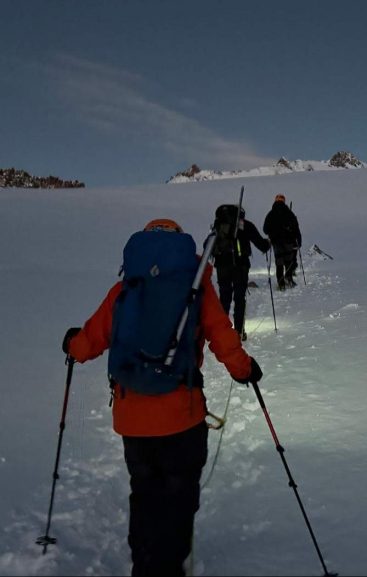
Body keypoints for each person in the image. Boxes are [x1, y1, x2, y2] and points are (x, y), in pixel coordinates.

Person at [61, 218, 264, 577]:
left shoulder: (125, 288)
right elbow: (222, 336)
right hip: (182, 416)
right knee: (179, 496)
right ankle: (171, 564)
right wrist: (244, 370)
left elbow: (88, 342)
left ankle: (145, 563)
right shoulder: (196, 286)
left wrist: (72, 345)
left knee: (144, 493)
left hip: (133, 420)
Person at [212, 206, 270, 341]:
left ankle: (222, 330)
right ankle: (239, 331)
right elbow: (261, 244)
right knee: (239, 298)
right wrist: (268, 243)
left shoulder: (218, 225)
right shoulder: (245, 224)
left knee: (224, 297)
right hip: (240, 266)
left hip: (221, 265)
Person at [263, 194, 302, 290]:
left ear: (275, 201)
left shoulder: (270, 214)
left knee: (279, 262)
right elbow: (296, 228)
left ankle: (281, 284)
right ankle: (289, 278)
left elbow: (265, 229)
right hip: (289, 241)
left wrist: (272, 234)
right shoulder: (289, 213)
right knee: (288, 261)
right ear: (284, 201)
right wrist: (299, 240)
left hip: (276, 242)